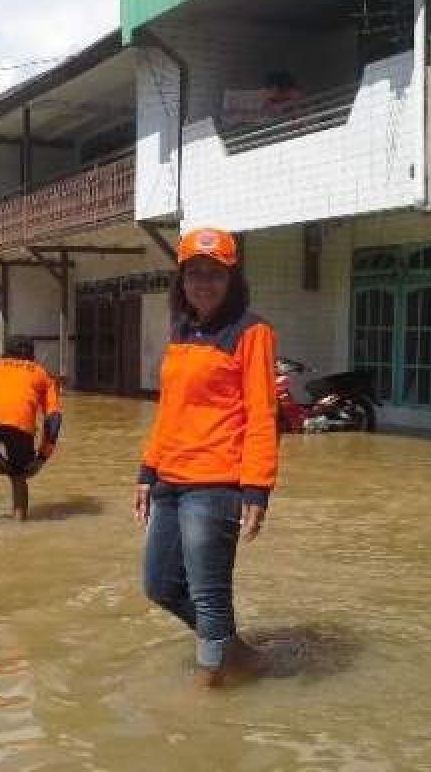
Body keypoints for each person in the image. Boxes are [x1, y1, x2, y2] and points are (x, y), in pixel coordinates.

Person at [134, 227, 279, 689]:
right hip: (170, 480)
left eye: (215, 273)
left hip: (216, 484)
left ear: (232, 278)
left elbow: (262, 413)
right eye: (194, 272)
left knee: (209, 597)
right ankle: (237, 655)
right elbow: (170, 409)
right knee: (159, 586)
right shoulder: (182, 330)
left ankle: (211, 696)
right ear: (182, 280)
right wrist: (147, 469)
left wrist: (258, 487)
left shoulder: (251, 332)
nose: (204, 282)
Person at [0, 336, 61, 530]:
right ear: (31, 355)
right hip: (21, 426)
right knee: (19, 474)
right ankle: (19, 527)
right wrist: (42, 457)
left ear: (5, 353)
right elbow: (54, 418)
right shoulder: (41, 373)